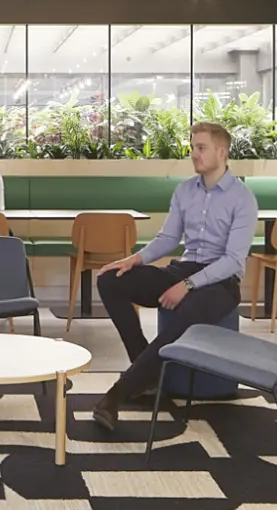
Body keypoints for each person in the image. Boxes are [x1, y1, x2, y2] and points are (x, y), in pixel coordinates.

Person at [91, 121, 258, 432]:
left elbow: (233, 260)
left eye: (201, 148)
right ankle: (146, 369)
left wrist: (188, 285)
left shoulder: (243, 199)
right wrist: (133, 259)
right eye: (193, 147)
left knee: (188, 308)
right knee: (110, 280)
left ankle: (117, 394)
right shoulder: (184, 191)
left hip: (221, 283)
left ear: (222, 152)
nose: (194, 154)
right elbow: (168, 239)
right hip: (183, 269)